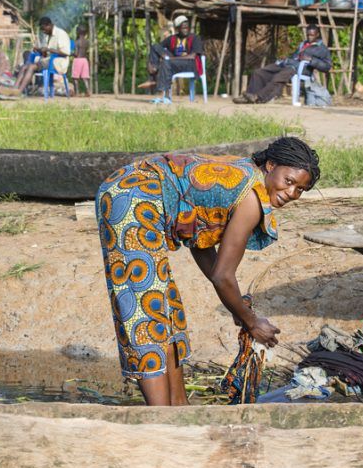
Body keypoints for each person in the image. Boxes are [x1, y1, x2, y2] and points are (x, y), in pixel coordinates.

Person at [95, 137, 320, 406]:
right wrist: (250, 320)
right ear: (271, 166)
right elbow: (222, 275)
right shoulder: (251, 197)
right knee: (145, 309)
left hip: (135, 189)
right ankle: (160, 417)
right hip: (131, 196)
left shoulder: (248, 180)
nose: (292, 193)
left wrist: (239, 309)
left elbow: (200, 244)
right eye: (289, 181)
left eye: (300, 189)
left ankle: (180, 409)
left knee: (166, 310)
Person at [234, 24, 332, 104]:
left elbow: (327, 66)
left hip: (299, 69)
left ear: (317, 34)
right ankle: (249, 96)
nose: (310, 37)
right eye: (308, 35)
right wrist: (286, 59)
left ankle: (258, 97)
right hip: (288, 64)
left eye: (312, 35)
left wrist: (311, 60)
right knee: (260, 72)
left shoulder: (322, 49)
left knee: (278, 77)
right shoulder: (303, 44)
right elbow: (295, 56)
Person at [144, 16, 204, 104]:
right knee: (155, 46)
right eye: (183, 28)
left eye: (187, 27)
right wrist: (152, 62)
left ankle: (164, 95)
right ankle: (154, 70)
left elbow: (192, 56)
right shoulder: (172, 38)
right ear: (177, 29)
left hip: (190, 64)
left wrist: (171, 58)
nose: (186, 29)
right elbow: (158, 48)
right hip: (174, 64)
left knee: (167, 61)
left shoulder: (195, 38)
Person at [14, 16, 71, 96]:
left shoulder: (61, 34)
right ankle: (14, 89)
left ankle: (19, 92)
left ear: (50, 25)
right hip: (48, 61)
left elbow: (66, 53)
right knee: (24, 67)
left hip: (58, 63)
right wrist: (40, 50)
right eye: (42, 30)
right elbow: (45, 53)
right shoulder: (47, 36)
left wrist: (48, 49)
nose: (43, 31)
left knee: (31, 67)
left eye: (44, 29)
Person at [71, 26, 91, 97]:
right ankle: (88, 91)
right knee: (85, 77)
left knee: (75, 77)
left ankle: (77, 92)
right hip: (84, 60)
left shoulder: (77, 42)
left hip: (78, 60)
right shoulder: (87, 41)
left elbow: (76, 53)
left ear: (78, 32)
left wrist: (71, 53)